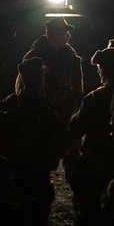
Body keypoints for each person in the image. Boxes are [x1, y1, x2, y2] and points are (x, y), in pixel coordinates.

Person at [18, 17, 84, 152]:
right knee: (42, 149)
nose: (69, 36)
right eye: (65, 33)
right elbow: (22, 85)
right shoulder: (34, 56)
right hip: (42, 112)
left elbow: (77, 80)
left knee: (72, 149)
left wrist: (77, 102)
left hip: (65, 111)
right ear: (56, 34)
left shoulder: (69, 54)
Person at [69, 47, 114, 154]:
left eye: (99, 67)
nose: (98, 71)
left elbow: (76, 129)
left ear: (105, 71)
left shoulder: (95, 98)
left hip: (100, 161)